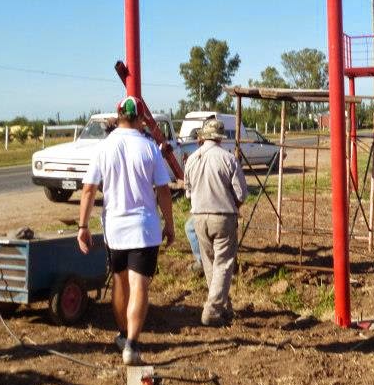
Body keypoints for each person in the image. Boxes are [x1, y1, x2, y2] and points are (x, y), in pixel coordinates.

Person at [77, 96, 175, 365]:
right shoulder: (149, 148)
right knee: (139, 284)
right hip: (144, 228)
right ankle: (132, 342)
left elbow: (88, 189)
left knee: (120, 281)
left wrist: (83, 226)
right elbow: (164, 191)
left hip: (115, 229)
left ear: (119, 117)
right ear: (140, 118)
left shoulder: (103, 148)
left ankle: (122, 333)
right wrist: (170, 223)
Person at [184, 118, 248, 326]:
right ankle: (212, 311)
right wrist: (233, 206)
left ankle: (223, 306)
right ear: (220, 138)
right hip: (223, 216)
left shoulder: (192, 159)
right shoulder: (228, 159)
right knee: (224, 264)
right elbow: (241, 193)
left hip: (199, 217)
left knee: (210, 263)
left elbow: (188, 192)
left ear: (203, 137)